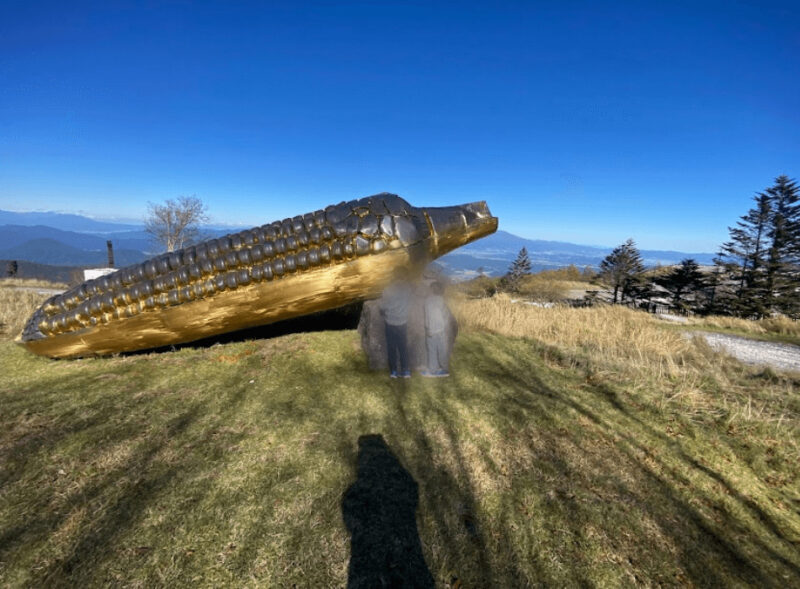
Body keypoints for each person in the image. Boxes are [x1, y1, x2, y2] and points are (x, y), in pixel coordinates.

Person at [379, 267, 412, 378]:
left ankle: (393, 371)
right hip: (403, 322)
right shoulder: (408, 288)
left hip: (390, 322)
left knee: (391, 347)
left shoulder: (388, 289)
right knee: (403, 347)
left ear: (394, 275)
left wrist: (382, 311)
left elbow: (382, 306)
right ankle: (406, 371)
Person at [422, 281, 451, 377]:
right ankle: (442, 369)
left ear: (432, 290)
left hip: (433, 330)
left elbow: (428, 317)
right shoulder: (441, 300)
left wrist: (428, 328)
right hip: (440, 330)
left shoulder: (428, 301)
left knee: (433, 350)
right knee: (441, 350)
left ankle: (434, 370)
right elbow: (445, 316)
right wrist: (444, 327)